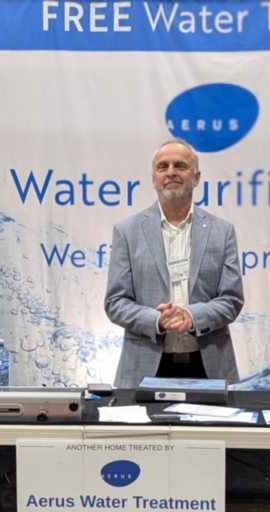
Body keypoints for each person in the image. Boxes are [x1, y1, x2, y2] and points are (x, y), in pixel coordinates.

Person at [104, 138, 245, 389]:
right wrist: (157, 320)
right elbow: (115, 302)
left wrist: (191, 316)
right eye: (163, 166)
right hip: (144, 366)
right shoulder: (127, 231)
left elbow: (232, 300)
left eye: (180, 165)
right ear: (154, 179)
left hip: (208, 367)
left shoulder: (222, 231)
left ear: (196, 177)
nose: (171, 172)